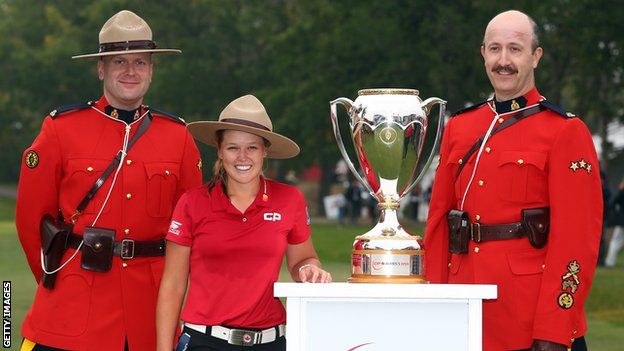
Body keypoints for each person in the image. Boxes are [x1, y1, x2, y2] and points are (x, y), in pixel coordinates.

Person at [16, 10, 202, 351]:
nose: (131, 71)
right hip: (75, 302)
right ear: (101, 68)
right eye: (119, 61)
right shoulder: (61, 129)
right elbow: (31, 221)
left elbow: (192, 227)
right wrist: (56, 279)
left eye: (141, 62)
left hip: (151, 309)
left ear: (151, 71)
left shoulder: (178, 137)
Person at [424, 10, 602, 351]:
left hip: (525, 316)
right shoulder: (460, 126)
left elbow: (577, 240)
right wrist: (436, 300)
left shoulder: (564, 130)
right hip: (463, 308)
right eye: (494, 49)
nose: (503, 61)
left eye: (515, 49)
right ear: (483, 55)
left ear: (535, 56)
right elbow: (439, 223)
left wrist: (554, 327)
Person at [156, 95, 331, 351]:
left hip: (271, 342)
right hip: (205, 342)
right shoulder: (191, 203)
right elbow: (172, 285)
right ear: (219, 150)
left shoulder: (289, 199)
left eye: (252, 147)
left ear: (265, 151)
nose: (242, 157)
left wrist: (308, 269)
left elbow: (303, 259)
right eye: (232, 147)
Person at [605, 180, 624, 267]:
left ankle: (610, 262)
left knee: (615, 241)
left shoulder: (622, 192)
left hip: (621, 221)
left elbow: (614, 203)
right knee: (616, 241)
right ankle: (609, 262)